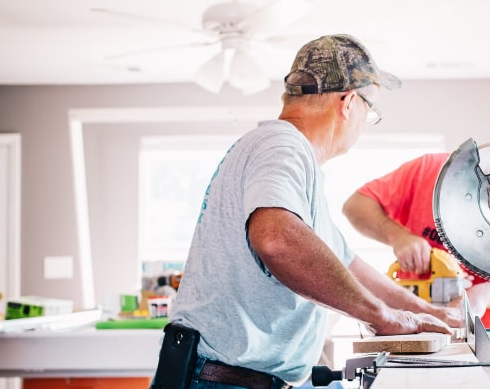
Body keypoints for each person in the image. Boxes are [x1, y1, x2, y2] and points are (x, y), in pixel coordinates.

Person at [157, 35, 459, 389]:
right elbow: (277, 239)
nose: (366, 121)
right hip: (221, 380)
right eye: (370, 109)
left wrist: (425, 313)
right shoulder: (282, 145)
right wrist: (382, 316)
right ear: (348, 102)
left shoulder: (290, 160)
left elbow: (346, 265)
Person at [342, 125, 490, 335]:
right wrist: (397, 236)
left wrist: (485, 294)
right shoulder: (431, 170)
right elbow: (356, 206)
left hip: (484, 341)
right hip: (410, 328)